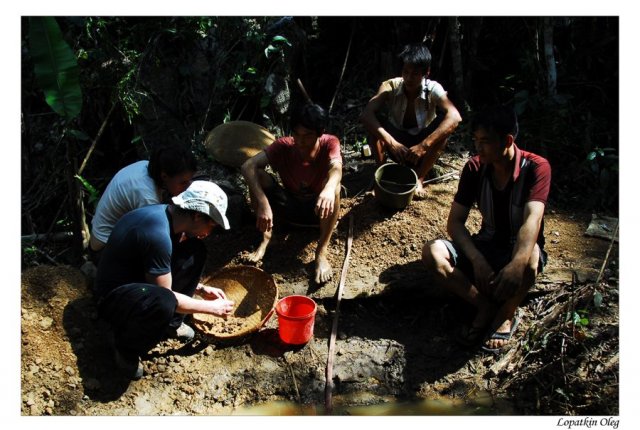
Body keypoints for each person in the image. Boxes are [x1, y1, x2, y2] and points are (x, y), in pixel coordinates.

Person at [421, 106, 551, 353]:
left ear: (507, 140)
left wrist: (517, 263)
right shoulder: (474, 168)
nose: (478, 148)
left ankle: (505, 313)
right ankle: (483, 306)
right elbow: (455, 222)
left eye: (485, 142)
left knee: (531, 257)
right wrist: (477, 259)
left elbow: (531, 220)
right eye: (475, 141)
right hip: (487, 243)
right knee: (432, 253)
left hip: (518, 247)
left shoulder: (536, 168)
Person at [94, 180, 235, 379]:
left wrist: (201, 289)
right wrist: (212, 308)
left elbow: (161, 269)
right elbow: (165, 294)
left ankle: (171, 324)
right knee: (164, 301)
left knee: (195, 251)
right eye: (211, 224)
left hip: (137, 279)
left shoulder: (169, 219)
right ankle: (125, 348)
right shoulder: (157, 234)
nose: (210, 232)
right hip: (113, 300)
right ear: (196, 215)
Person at [241, 103, 342, 284]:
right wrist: (263, 203)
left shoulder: (329, 143)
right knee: (258, 175)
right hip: (289, 205)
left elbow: (336, 167)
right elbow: (248, 166)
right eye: (296, 134)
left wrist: (328, 188)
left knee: (334, 187)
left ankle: (321, 252)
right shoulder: (283, 146)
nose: (300, 141)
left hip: (318, 210)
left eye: (307, 136)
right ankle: (266, 237)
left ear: (320, 132)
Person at [360, 43, 462, 199]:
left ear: (426, 73)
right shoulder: (390, 86)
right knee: (374, 125)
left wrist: (424, 145)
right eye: (405, 72)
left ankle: (419, 178)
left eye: (415, 74)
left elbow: (455, 116)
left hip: (421, 145)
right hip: (396, 141)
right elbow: (366, 114)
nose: (408, 78)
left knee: (444, 132)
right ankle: (382, 174)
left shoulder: (434, 88)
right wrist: (392, 143)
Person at [89, 145, 198, 253]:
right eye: (183, 182)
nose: (188, 186)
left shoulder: (146, 166)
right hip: (105, 246)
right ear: (164, 176)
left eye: (190, 180)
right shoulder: (146, 196)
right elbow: (157, 237)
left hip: (107, 235)